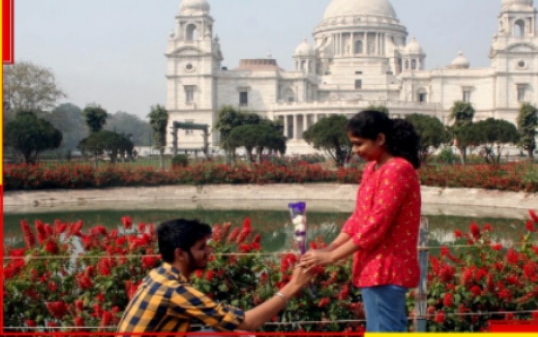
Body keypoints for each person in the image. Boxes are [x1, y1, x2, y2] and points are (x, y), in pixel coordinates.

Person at [299, 110, 422, 332]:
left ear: (380, 139)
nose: (354, 151)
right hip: (373, 269)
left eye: (359, 144)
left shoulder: (397, 169)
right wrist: (330, 247)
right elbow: (359, 217)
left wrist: (332, 257)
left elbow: (376, 225)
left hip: (387, 270)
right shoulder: (373, 168)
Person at [117, 218, 312, 335]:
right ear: (180, 254)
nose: (209, 252)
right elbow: (249, 322)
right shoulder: (174, 291)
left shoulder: (158, 275)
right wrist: (294, 285)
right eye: (201, 248)